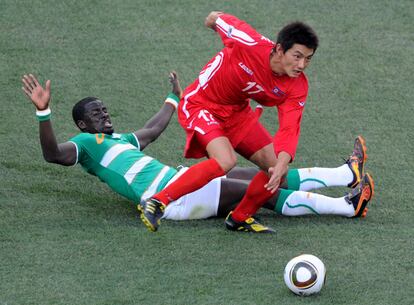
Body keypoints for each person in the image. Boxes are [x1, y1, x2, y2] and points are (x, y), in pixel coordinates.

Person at [21, 73, 374, 233]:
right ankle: (346, 206)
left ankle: (345, 175)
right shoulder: (85, 147)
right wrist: (43, 113)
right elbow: (52, 154)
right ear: (82, 125)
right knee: (263, 191)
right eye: (95, 114)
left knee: (262, 177)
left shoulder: (122, 141)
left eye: (104, 109)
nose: (104, 114)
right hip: (173, 200)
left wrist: (175, 97)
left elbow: (154, 129)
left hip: (182, 184)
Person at [140, 11, 323, 232]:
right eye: (297, 56)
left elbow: (290, 127)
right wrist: (214, 21)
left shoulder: (297, 86)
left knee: (277, 170)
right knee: (225, 160)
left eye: (308, 59)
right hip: (201, 104)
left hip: (237, 113)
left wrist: (283, 162)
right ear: (280, 49)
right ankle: (158, 202)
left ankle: (239, 218)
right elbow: (213, 18)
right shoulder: (249, 42)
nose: (302, 65)